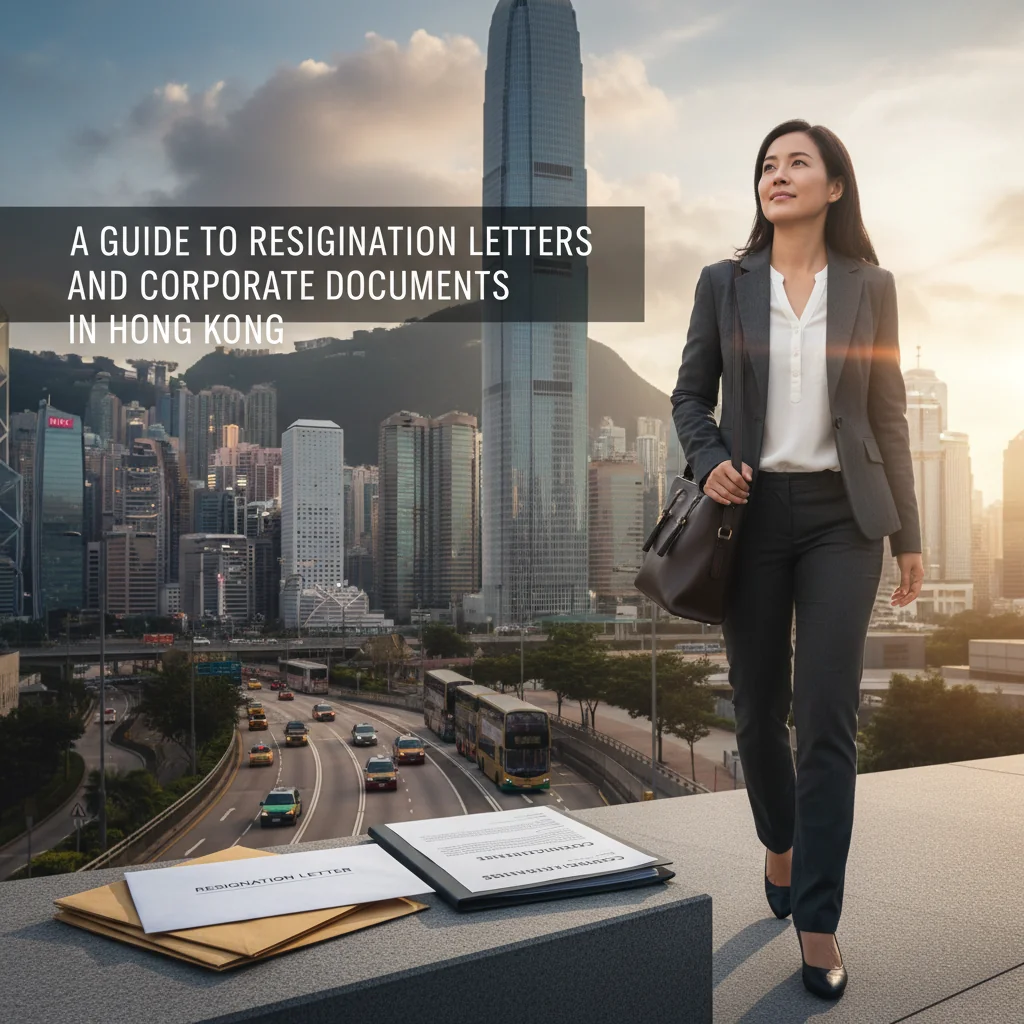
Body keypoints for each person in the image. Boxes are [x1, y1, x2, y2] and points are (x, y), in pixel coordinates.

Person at [671, 119, 924, 1000]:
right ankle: (777, 843)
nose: (778, 175)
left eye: (797, 163)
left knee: (826, 718)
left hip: (842, 522)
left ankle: (818, 923)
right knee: (756, 710)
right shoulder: (722, 281)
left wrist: (911, 536)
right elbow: (688, 396)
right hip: (751, 515)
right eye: (768, 165)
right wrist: (710, 466)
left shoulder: (872, 285)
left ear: (834, 186)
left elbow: (888, 414)